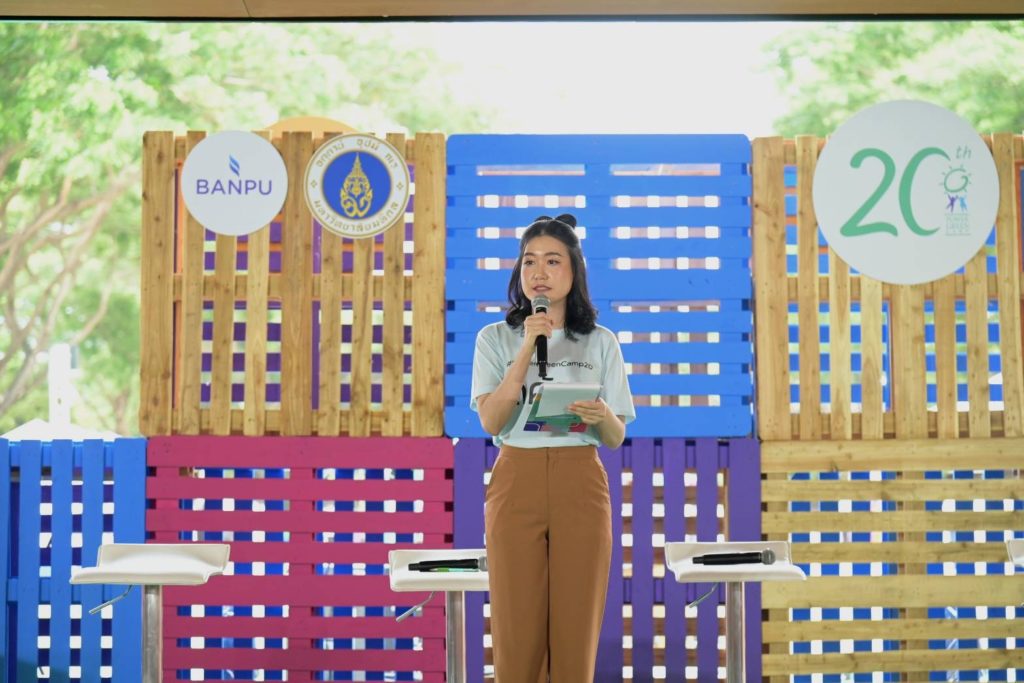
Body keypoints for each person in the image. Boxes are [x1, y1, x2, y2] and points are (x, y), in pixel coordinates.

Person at [470, 213, 635, 682]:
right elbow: (491, 420)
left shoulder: (600, 341)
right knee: (515, 624)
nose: (538, 272)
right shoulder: (493, 338)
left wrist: (601, 416)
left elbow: (616, 437)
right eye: (529, 261)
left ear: (574, 270)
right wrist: (527, 348)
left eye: (552, 260)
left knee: (575, 625)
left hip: (580, 479)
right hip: (516, 477)